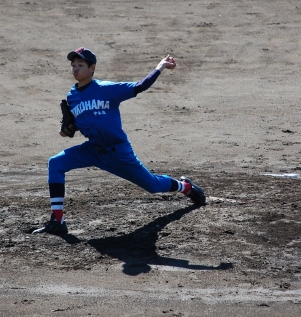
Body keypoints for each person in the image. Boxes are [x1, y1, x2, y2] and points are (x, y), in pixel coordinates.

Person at [33, 47, 205, 235]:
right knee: (56, 163)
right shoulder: (72, 96)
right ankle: (57, 220)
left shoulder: (107, 89)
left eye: (80, 65)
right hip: (92, 151)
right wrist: (68, 129)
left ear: (92, 68)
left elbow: (140, 86)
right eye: (73, 65)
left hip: (118, 153)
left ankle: (185, 187)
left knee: (153, 186)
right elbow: (79, 124)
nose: (75, 68)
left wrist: (161, 66)